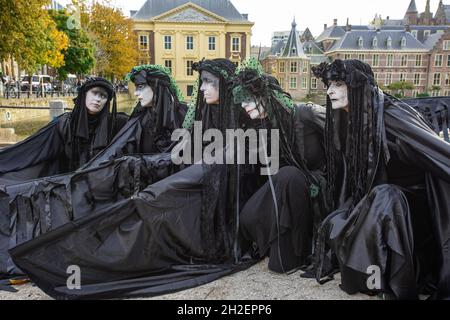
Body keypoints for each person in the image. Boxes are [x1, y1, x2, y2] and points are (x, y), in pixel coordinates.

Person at [312, 59, 450, 300]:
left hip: (412, 208)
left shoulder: (390, 115)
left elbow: (436, 151)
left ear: (356, 86)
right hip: (379, 201)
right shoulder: (348, 119)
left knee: (386, 196)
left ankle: (401, 290)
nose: (329, 91)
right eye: (328, 85)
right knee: (336, 222)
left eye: (338, 84)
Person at [232, 58, 328, 274]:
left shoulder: (305, 114)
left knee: (288, 175)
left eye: (248, 100)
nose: (243, 106)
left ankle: (295, 253)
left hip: (319, 185)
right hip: (286, 187)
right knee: (247, 217)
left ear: (264, 96)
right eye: (241, 101)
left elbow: (342, 135)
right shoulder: (261, 129)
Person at [0, 77, 128, 184]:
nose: (98, 99)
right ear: (85, 94)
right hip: (69, 182)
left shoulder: (115, 123)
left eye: (103, 96)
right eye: (95, 93)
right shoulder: (65, 123)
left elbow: (142, 124)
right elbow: (33, 147)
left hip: (100, 184)